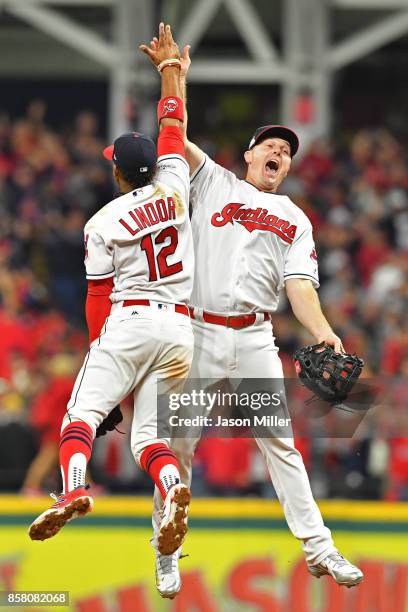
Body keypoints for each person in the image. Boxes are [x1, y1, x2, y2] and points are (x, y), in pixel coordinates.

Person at [140, 31, 364, 598]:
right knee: (178, 446)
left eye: (287, 151)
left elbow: (299, 287)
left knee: (280, 443)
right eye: (271, 146)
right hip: (195, 333)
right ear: (249, 153)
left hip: (253, 341)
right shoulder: (212, 181)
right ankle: (167, 552)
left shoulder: (294, 218)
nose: (280, 155)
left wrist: (325, 333)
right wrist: (174, 76)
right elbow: (174, 136)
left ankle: (320, 549)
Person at [29, 25, 195, 580]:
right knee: (149, 439)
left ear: (119, 172)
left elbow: (98, 299)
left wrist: (107, 361)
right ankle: (173, 489)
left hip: (128, 321)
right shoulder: (176, 184)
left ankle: (73, 489)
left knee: (80, 416)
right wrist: (171, 71)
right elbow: (173, 124)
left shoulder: (102, 221)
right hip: (179, 331)